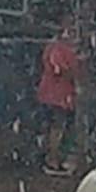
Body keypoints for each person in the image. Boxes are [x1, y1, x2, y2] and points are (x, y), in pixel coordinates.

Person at [36, 16, 82, 176]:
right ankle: (52, 160)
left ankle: (55, 158)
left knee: (58, 127)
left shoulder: (58, 48)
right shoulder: (58, 49)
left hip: (60, 95)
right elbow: (60, 70)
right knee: (57, 128)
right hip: (57, 96)